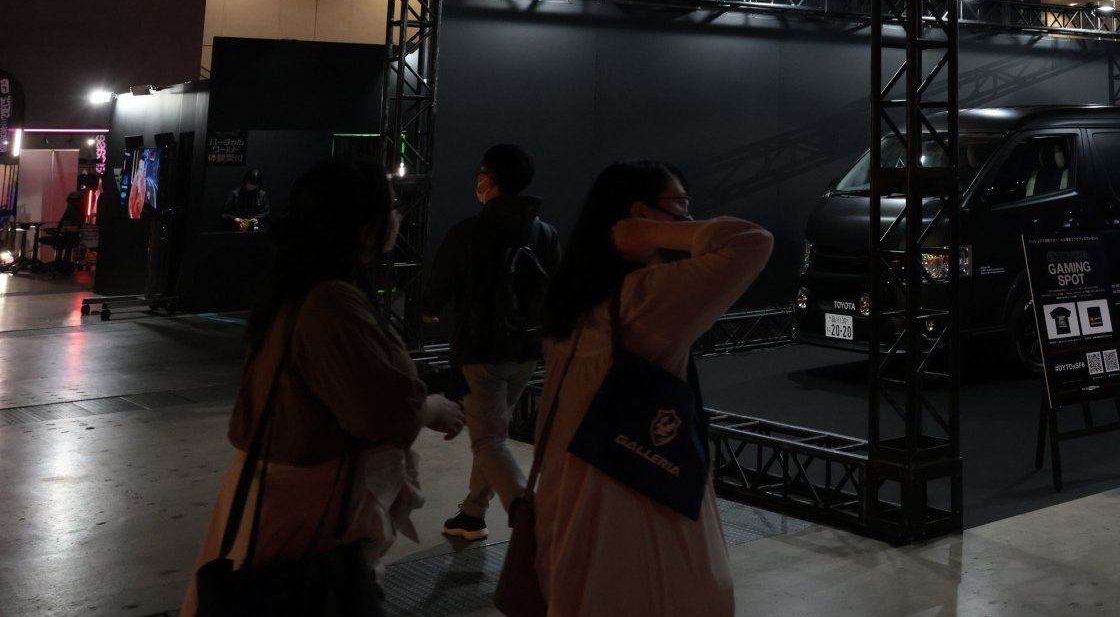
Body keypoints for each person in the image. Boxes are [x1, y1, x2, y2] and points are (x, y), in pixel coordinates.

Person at [179, 157, 466, 616]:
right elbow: (380, 412)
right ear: (366, 231)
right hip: (308, 520)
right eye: (392, 209)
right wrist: (429, 406)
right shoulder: (332, 302)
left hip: (280, 503)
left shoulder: (297, 289)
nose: (397, 218)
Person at [529, 163, 772, 617]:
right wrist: (650, 234)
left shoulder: (573, 296)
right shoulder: (645, 298)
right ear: (640, 212)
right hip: (640, 483)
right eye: (679, 205)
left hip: (567, 488)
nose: (687, 216)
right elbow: (751, 241)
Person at [423, 143, 563, 544]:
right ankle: (472, 514)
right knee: (494, 436)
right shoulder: (545, 233)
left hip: (480, 350)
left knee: (489, 440)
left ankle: (531, 518)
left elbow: (440, 283)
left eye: (481, 174)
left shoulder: (470, 232)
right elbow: (558, 289)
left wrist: (429, 307)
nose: (478, 181)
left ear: (491, 180)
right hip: (526, 351)